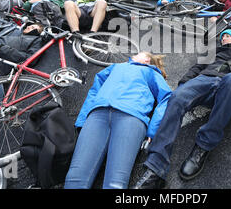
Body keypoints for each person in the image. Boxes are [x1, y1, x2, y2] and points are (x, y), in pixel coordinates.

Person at [133, 28, 231, 188]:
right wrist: (184, 85)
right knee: (177, 97)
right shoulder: (212, 52)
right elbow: (196, 68)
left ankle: (202, 146)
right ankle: (156, 168)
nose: (224, 38)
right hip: (206, 79)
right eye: (222, 36)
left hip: (230, 88)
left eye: (228, 36)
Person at [64, 51, 171, 189]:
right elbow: (95, 89)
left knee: (115, 182)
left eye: (140, 53)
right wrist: (82, 120)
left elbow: (166, 97)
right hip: (98, 115)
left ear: (147, 60)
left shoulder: (151, 73)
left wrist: (153, 130)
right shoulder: (116, 66)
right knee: (75, 177)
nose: (134, 54)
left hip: (131, 117)